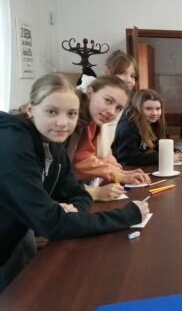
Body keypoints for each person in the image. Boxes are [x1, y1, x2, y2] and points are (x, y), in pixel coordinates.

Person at [0, 74, 149, 291]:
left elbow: (76, 192)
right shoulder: (14, 147)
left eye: (71, 114)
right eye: (52, 112)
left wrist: (71, 213)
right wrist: (127, 215)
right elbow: (51, 224)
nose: (63, 123)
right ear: (30, 109)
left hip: (17, 230)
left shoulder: (53, 141)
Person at [66, 75, 150, 184]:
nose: (111, 111)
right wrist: (118, 175)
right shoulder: (74, 119)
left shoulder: (93, 119)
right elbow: (80, 162)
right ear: (90, 93)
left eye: (118, 108)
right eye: (108, 101)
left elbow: (99, 156)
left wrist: (121, 172)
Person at [112, 89, 182, 166]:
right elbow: (128, 157)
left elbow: (160, 146)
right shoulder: (128, 126)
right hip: (125, 170)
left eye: (158, 109)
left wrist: (175, 153)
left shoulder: (154, 122)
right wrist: (165, 157)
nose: (154, 113)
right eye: (148, 109)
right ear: (137, 108)